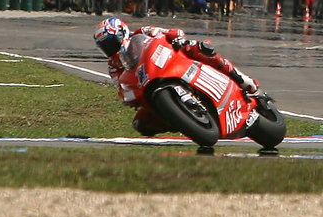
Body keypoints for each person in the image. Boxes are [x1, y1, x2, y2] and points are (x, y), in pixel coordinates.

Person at [93, 16, 258, 136]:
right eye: (105, 46)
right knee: (141, 124)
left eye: (110, 43)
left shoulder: (143, 32)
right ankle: (182, 121)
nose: (109, 49)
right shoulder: (113, 65)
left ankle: (241, 79)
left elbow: (167, 33)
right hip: (147, 84)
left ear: (121, 33)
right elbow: (121, 85)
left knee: (198, 48)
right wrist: (129, 96)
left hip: (170, 61)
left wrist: (176, 37)